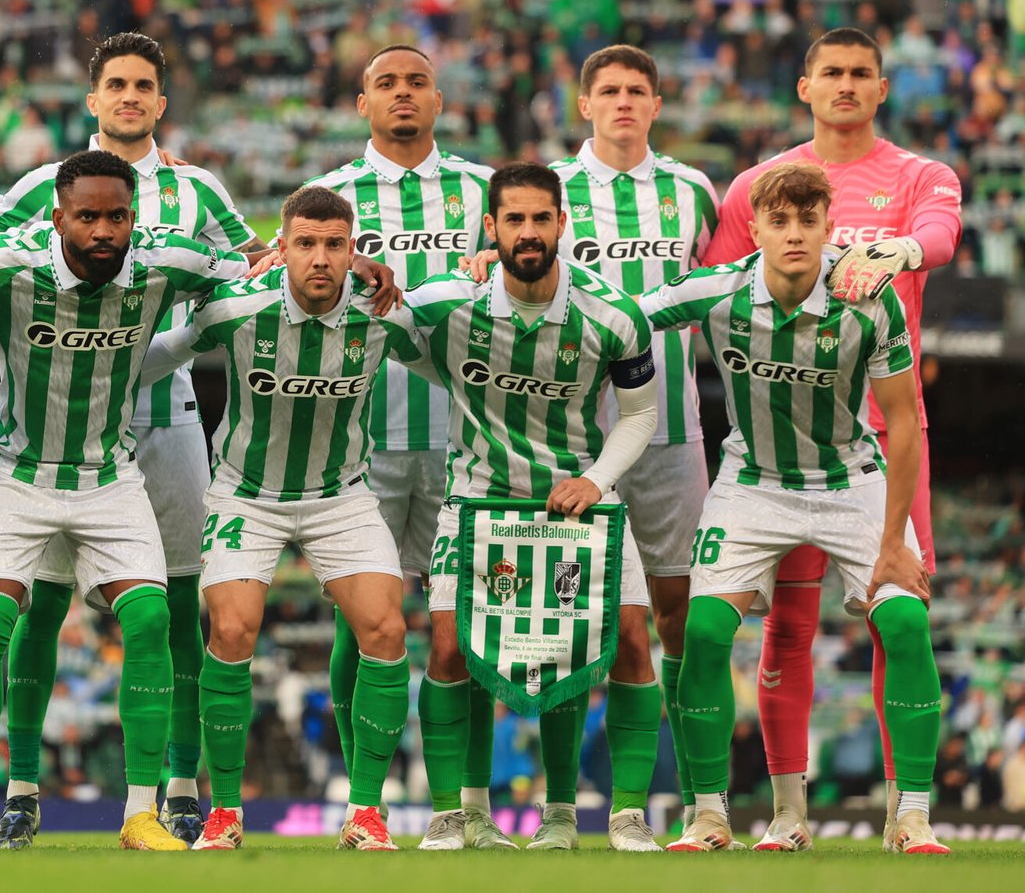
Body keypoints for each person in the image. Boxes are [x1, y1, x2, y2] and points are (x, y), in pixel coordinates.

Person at [0, 149, 259, 852]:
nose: (104, 229)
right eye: (88, 216)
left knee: (150, 617)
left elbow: (258, 269)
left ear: (134, 217)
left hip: (110, 476)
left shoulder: (164, 263)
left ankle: (141, 813)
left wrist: (342, 265)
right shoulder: (9, 263)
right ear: (58, 218)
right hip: (16, 474)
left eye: (117, 216)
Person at [705, 27, 962, 850]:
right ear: (805, 88)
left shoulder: (920, 175)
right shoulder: (761, 186)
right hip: (784, 438)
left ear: (883, 88)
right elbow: (714, 284)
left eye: (861, 74)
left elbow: (942, 238)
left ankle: (904, 809)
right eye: (832, 74)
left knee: (900, 610)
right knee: (788, 629)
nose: (846, 85)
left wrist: (898, 248)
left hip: (887, 437)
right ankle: (788, 812)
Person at [646, 161, 946, 855]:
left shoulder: (870, 298)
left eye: (807, 221)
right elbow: (621, 314)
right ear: (755, 228)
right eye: (778, 220)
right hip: (752, 483)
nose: (793, 234)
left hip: (851, 480)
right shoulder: (718, 292)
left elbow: (903, 421)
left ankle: (914, 817)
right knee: (703, 632)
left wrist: (896, 541)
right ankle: (710, 814)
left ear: (826, 227)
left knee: (904, 623)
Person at [140, 186, 418, 852]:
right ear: (281, 247)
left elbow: (449, 362)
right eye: (305, 243)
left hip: (340, 496)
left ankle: (367, 813)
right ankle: (226, 812)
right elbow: (162, 353)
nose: (319, 258)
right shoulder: (237, 310)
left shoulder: (383, 315)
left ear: (353, 251)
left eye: (334, 244)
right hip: (245, 496)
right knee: (231, 631)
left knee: (385, 627)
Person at [404, 162, 658, 852]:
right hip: (478, 503)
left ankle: (609, 818)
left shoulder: (612, 312)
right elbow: (386, 321)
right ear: (490, 227)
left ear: (561, 225)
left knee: (630, 639)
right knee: (454, 649)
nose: (528, 232)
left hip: (577, 509)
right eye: (513, 219)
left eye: (540, 219)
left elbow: (640, 414)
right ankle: (462, 816)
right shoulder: (446, 304)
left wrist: (597, 481)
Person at [298, 44, 503, 849]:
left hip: (468, 440)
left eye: (417, 82)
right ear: (363, 103)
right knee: (363, 625)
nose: (403, 94)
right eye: (387, 83)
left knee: (468, 631)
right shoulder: (332, 199)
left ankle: (470, 808)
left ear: (440, 99)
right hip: (363, 441)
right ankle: (364, 803)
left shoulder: (485, 191)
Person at [549, 45, 720, 846]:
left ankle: (700, 803)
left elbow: (723, 296)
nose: (623, 103)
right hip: (574, 438)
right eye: (608, 91)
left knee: (679, 614)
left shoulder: (692, 192)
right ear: (584, 104)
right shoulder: (550, 191)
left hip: (674, 432)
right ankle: (579, 808)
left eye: (637, 91)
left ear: (657, 104)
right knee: (587, 622)